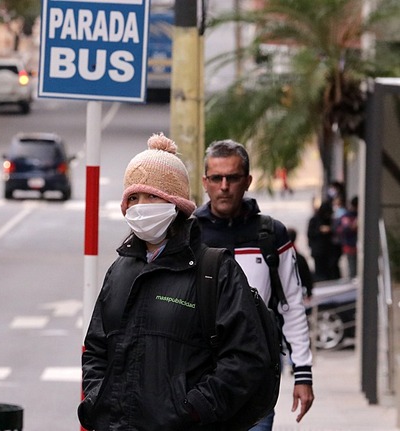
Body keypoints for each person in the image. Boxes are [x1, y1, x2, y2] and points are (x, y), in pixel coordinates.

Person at [78, 133, 272, 431]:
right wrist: (97, 399)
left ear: (176, 204)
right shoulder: (119, 271)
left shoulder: (215, 270)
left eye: (152, 196)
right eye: (133, 197)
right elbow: (96, 349)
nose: (140, 206)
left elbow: (245, 359)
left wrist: (192, 410)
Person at [193, 139, 314, 430]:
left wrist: (303, 374)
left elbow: (292, 305)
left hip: (255, 382)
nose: (224, 186)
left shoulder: (271, 235)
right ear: (205, 182)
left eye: (232, 178)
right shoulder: (188, 234)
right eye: (216, 178)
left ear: (247, 181)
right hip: (198, 381)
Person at [307, 201, 339, 281]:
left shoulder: (330, 220)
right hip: (318, 251)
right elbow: (310, 234)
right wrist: (320, 230)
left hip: (329, 251)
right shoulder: (314, 220)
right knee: (320, 274)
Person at [288, 227, 314, 303]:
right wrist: (309, 292)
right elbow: (307, 276)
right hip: (299, 292)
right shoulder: (299, 257)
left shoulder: (280, 257)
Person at [337, 196, 358, 278]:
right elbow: (346, 229)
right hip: (350, 245)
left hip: (355, 245)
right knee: (352, 268)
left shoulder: (353, 215)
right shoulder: (347, 216)